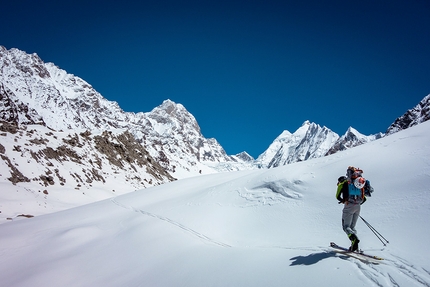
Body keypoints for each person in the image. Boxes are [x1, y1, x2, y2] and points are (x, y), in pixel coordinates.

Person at [336, 166, 367, 252]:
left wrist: (343, 201)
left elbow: (337, 196)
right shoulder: (359, 182)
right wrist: (356, 204)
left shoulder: (344, 183)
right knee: (352, 227)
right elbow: (364, 198)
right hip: (358, 206)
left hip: (349, 206)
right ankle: (354, 246)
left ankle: (354, 240)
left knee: (346, 227)